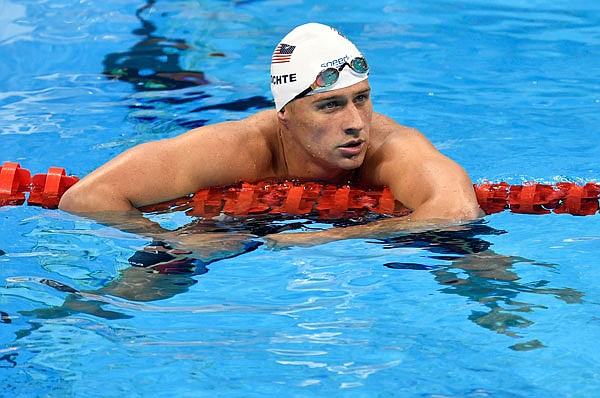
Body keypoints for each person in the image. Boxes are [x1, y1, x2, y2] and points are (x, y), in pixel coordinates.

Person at [59, 23, 482, 251]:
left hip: (338, 230)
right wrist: (172, 239)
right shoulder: (235, 148)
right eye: (330, 105)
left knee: (467, 255)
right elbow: (85, 198)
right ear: (285, 114)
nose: (357, 122)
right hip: (231, 218)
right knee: (166, 264)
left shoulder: (392, 147)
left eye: (362, 99)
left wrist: (326, 237)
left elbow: (456, 213)